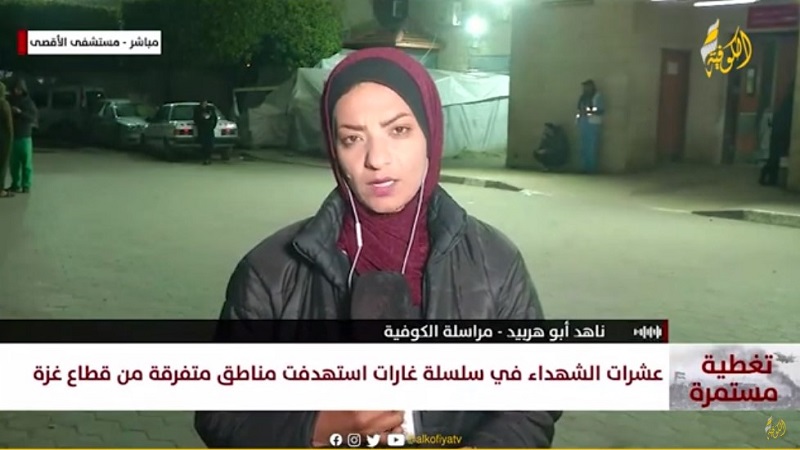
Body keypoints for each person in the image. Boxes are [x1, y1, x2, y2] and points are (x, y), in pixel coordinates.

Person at [194, 47, 560, 448]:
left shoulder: (495, 262)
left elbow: (532, 401)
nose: (376, 159)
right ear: (335, 150)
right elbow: (219, 414)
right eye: (353, 138)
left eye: (398, 130)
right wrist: (311, 431)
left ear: (430, 134)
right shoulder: (270, 270)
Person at [759, 85, 794, 186]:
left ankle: (771, 178)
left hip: (778, 132)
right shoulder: (789, 103)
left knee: (774, 157)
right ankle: (769, 177)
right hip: (781, 132)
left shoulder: (785, 104)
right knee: (775, 158)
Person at [7, 78, 37, 194]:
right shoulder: (10, 101)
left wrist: (20, 113)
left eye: (19, 89)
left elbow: (32, 118)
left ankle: (26, 185)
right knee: (13, 164)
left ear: (23, 90)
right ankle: (15, 184)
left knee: (26, 163)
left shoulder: (29, 103)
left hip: (25, 136)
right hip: (13, 136)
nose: (17, 91)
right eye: (15, 89)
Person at [576, 79, 604, 173]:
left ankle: (591, 168)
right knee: (583, 147)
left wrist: (588, 111)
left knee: (591, 147)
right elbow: (579, 109)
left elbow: (600, 110)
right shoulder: (583, 97)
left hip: (593, 123)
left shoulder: (597, 96)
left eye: (587, 87)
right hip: (583, 122)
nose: (585, 89)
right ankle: (584, 167)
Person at [193, 100, 217, 165]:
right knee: (204, 144)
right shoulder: (198, 110)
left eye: (205, 103)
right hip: (202, 129)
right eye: (203, 103)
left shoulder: (210, 109)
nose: (204, 104)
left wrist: (213, 126)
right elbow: (195, 119)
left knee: (210, 144)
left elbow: (215, 118)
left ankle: (208, 158)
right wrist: (199, 126)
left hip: (209, 129)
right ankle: (205, 158)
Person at [0, 80, 13, 198]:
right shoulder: (4, 104)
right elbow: (8, 125)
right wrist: (11, 138)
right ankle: (0, 190)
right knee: (2, 164)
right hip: (3, 139)